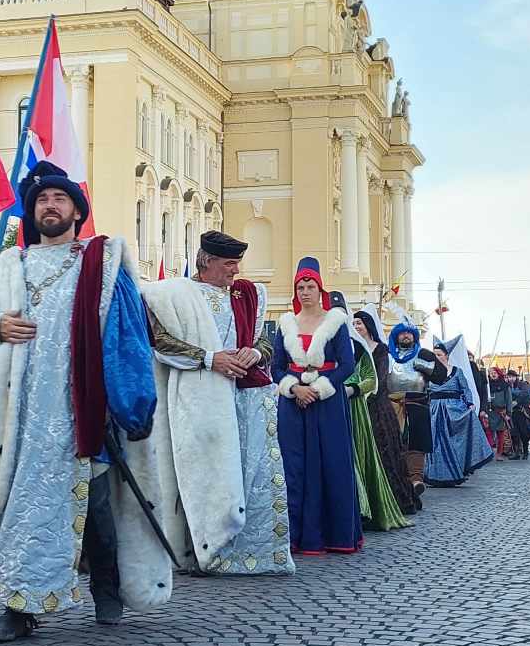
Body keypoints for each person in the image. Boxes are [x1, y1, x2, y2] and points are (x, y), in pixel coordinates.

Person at [0, 162, 161, 641]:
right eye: (42, 200)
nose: (50, 206)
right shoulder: (10, 265)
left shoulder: (101, 264)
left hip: (82, 408)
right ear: (32, 212)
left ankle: (107, 590)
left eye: (59, 199)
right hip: (19, 418)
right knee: (17, 507)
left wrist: (129, 403)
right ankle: (18, 605)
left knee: (98, 509)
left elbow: (128, 335)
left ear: (77, 211)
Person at [142, 231, 295, 575]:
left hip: (245, 399)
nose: (235, 270)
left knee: (248, 473)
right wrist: (210, 359)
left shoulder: (248, 295)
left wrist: (255, 353)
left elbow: (263, 342)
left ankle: (247, 552)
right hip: (198, 399)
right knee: (200, 472)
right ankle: (205, 549)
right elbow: (159, 342)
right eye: (229, 263)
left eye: (237, 263)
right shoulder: (174, 294)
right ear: (207, 262)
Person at [272, 258, 362, 553]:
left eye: (310, 286)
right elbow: (277, 368)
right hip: (293, 405)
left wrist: (318, 389)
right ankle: (295, 535)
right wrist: (294, 388)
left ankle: (334, 535)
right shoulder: (286, 324)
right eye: (300, 287)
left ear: (320, 289)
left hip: (327, 404)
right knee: (293, 466)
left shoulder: (335, 322)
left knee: (331, 464)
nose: (305, 292)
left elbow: (347, 365)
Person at [333, 296, 410, 532]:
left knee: (367, 455)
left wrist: (353, 389)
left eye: (359, 323)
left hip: (364, 408)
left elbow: (373, 379)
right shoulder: (324, 342)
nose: (356, 326)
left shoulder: (364, 348)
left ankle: (367, 507)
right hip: (331, 408)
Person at [351, 310, 421, 516]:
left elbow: (380, 377)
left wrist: (365, 393)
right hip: (356, 405)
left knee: (385, 451)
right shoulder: (352, 348)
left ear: (368, 326)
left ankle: (392, 499)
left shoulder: (380, 349)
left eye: (359, 323)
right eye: (353, 323)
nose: (356, 327)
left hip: (377, 406)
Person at [422, 335, 492, 487]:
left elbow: (465, 389)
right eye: (434, 355)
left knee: (452, 443)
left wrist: (470, 404)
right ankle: (435, 474)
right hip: (434, 410)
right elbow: (423, 389)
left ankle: (454, 472)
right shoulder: (428, 372)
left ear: (446, 356)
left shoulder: (457, 372)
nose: (436, 357)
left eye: (439, 354)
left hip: (453, 410)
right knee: (436, 442)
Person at [387, 322, 447, 491]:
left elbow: (441, 376)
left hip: (417, 404)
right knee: (392, 443)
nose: (406, 336)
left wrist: (426, 367)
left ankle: (416, 479)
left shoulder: (423, 354)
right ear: (396, 336)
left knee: (416, 444)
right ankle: (395, 480)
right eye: (402, 333)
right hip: (392, 404)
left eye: (410, 333)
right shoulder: (387, 355)